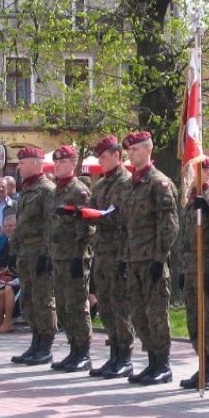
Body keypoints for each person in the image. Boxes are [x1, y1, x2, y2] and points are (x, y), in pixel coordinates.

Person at [117, 131, 179, 385]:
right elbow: (125, 225)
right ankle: (151, 360)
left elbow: (169, 225)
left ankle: (162, 364)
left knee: (155, 314)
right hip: (133, 259)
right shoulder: (131, 184)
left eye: (134, 150)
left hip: (151, 260)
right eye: (129, 151)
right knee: (138, 313)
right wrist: (123, 257)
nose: (130, 154)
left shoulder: (159, 183)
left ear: (147, 150)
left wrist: (159, 257)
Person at [85, 136, 135, 379]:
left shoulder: (126, 183)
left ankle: (125, 356)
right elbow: (95, 213)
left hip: (119, 252)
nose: (100, 162)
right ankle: (114, 353)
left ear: (117, 156)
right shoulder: (101, 185)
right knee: (105, 305)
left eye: (103, 157)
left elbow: (125, 219)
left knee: (120, 305)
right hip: (102, 252)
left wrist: (99, 216)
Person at [178, 156, 209, 391]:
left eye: (199, 170)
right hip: (191, 268)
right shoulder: (191, 201)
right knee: (194, 320)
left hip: (207, 266)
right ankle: (203, 362)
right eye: (190, 171)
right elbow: (185, 239)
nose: (192, 176)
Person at [48, 145, 95, 373]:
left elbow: (87, 226)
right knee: (64, 307)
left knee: (76, 305)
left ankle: (83, 352)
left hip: (75, 256)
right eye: (56, 162)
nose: (58, 165)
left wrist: (79, 255)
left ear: (73, 163)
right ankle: (73, 348)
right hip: (58, 256)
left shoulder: (79, 191)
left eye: (63, 162)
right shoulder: (56, 191)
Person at [9, 147, 57, 365]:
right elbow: (20, 224)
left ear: (37, 163)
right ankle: (35, 341)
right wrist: (14, 250)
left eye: (23, 162)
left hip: (39, 251)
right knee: (28, 299)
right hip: (26, 252)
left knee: (43, 299)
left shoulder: (46, 189)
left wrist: (46, 255)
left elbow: (50, 225)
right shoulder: (27, 189)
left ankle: (45, 345)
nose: (19, 167)